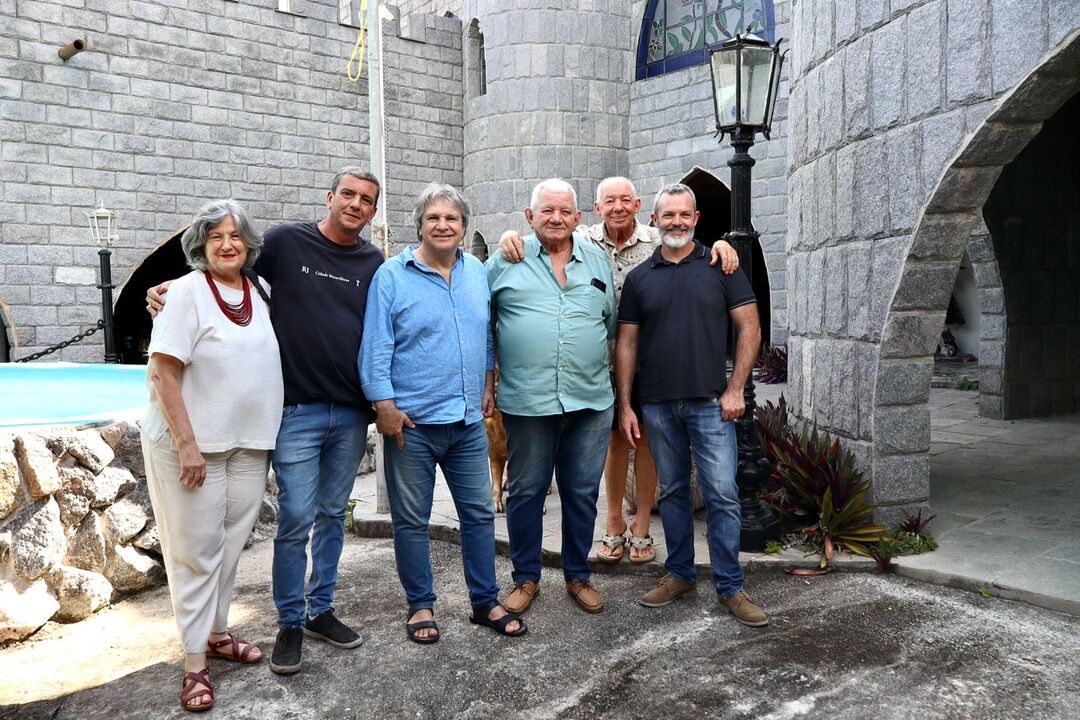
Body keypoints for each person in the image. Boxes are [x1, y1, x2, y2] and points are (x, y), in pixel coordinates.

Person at [148, 167, 385, 674]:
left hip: (348, 413)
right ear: (330, 196)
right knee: (296, 519)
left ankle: (321, 610)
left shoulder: (374, 261)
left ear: (373, 210)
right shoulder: (285, 242)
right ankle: (290, 623)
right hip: (295, 412)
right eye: (348, 194)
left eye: (367, 199)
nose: (356, 204)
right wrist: (173, 290)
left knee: (333, 518)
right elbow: (226, 274)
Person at [498, 177, 740, 565]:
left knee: (643, 441)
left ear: (638, 204)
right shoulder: (583, 237)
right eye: (609, 200)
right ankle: (613, 523)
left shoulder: (657, 238)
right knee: (612, 442)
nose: (618, 207)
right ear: (595, 208)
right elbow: (540, 236)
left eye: (625, 200)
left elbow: (694, 251)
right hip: (598, 363)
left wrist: (725, 245)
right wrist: (510, 235)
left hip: (650, 360)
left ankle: (641, 525)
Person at [360, 183, 526, 643]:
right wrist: (384, 407)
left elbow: (486, 332)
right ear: (419, 227)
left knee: (477, 515)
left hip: (467, 422)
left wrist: (489, 378)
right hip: (410, 425)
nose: (443, 225)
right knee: (412, 521)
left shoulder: (476, 271)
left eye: (451, 219)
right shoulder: (392, 276)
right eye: (433, 218)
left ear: (464, 227)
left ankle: (484, 601)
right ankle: (420, 606)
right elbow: (376, 345)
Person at [142, 199, 282, 712]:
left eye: (236, 236)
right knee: (195, 553)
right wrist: (187, 445)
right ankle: (194, 663)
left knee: (228, 547)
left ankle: (219, 632)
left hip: (247, 442)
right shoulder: (186, 294)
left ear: (249, 245)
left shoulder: (258, 291)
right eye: (215, 237)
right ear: (200, 246)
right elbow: (163, 374)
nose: (227, 244)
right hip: (194, 448)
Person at [616, 183, 769, 626]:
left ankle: (730, 586)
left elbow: (750, 327)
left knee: (722, 493)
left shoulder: (721, 266)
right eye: (669, 216)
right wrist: (626, 404)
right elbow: (626, 344)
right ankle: (680, 573)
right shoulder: (641, 277)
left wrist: (737, 387)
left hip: (710, 402)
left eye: (685, 215)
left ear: (696, 220)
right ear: (655, 220)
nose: (677, 222)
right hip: (658, 405)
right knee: (674, 492)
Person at [486, 178, 616, 615]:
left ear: (578, 218)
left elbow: (611, 327)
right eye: (547, 211)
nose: (556, 218)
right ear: (529, 217)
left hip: (591, 400)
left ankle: (578, 576)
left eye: (565, 211)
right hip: (528, 402)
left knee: (581, 492)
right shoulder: (505, 260)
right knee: (526, 491)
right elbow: (480, 325)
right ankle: (526, 577)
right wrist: (487, 384)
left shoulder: (598, 262)